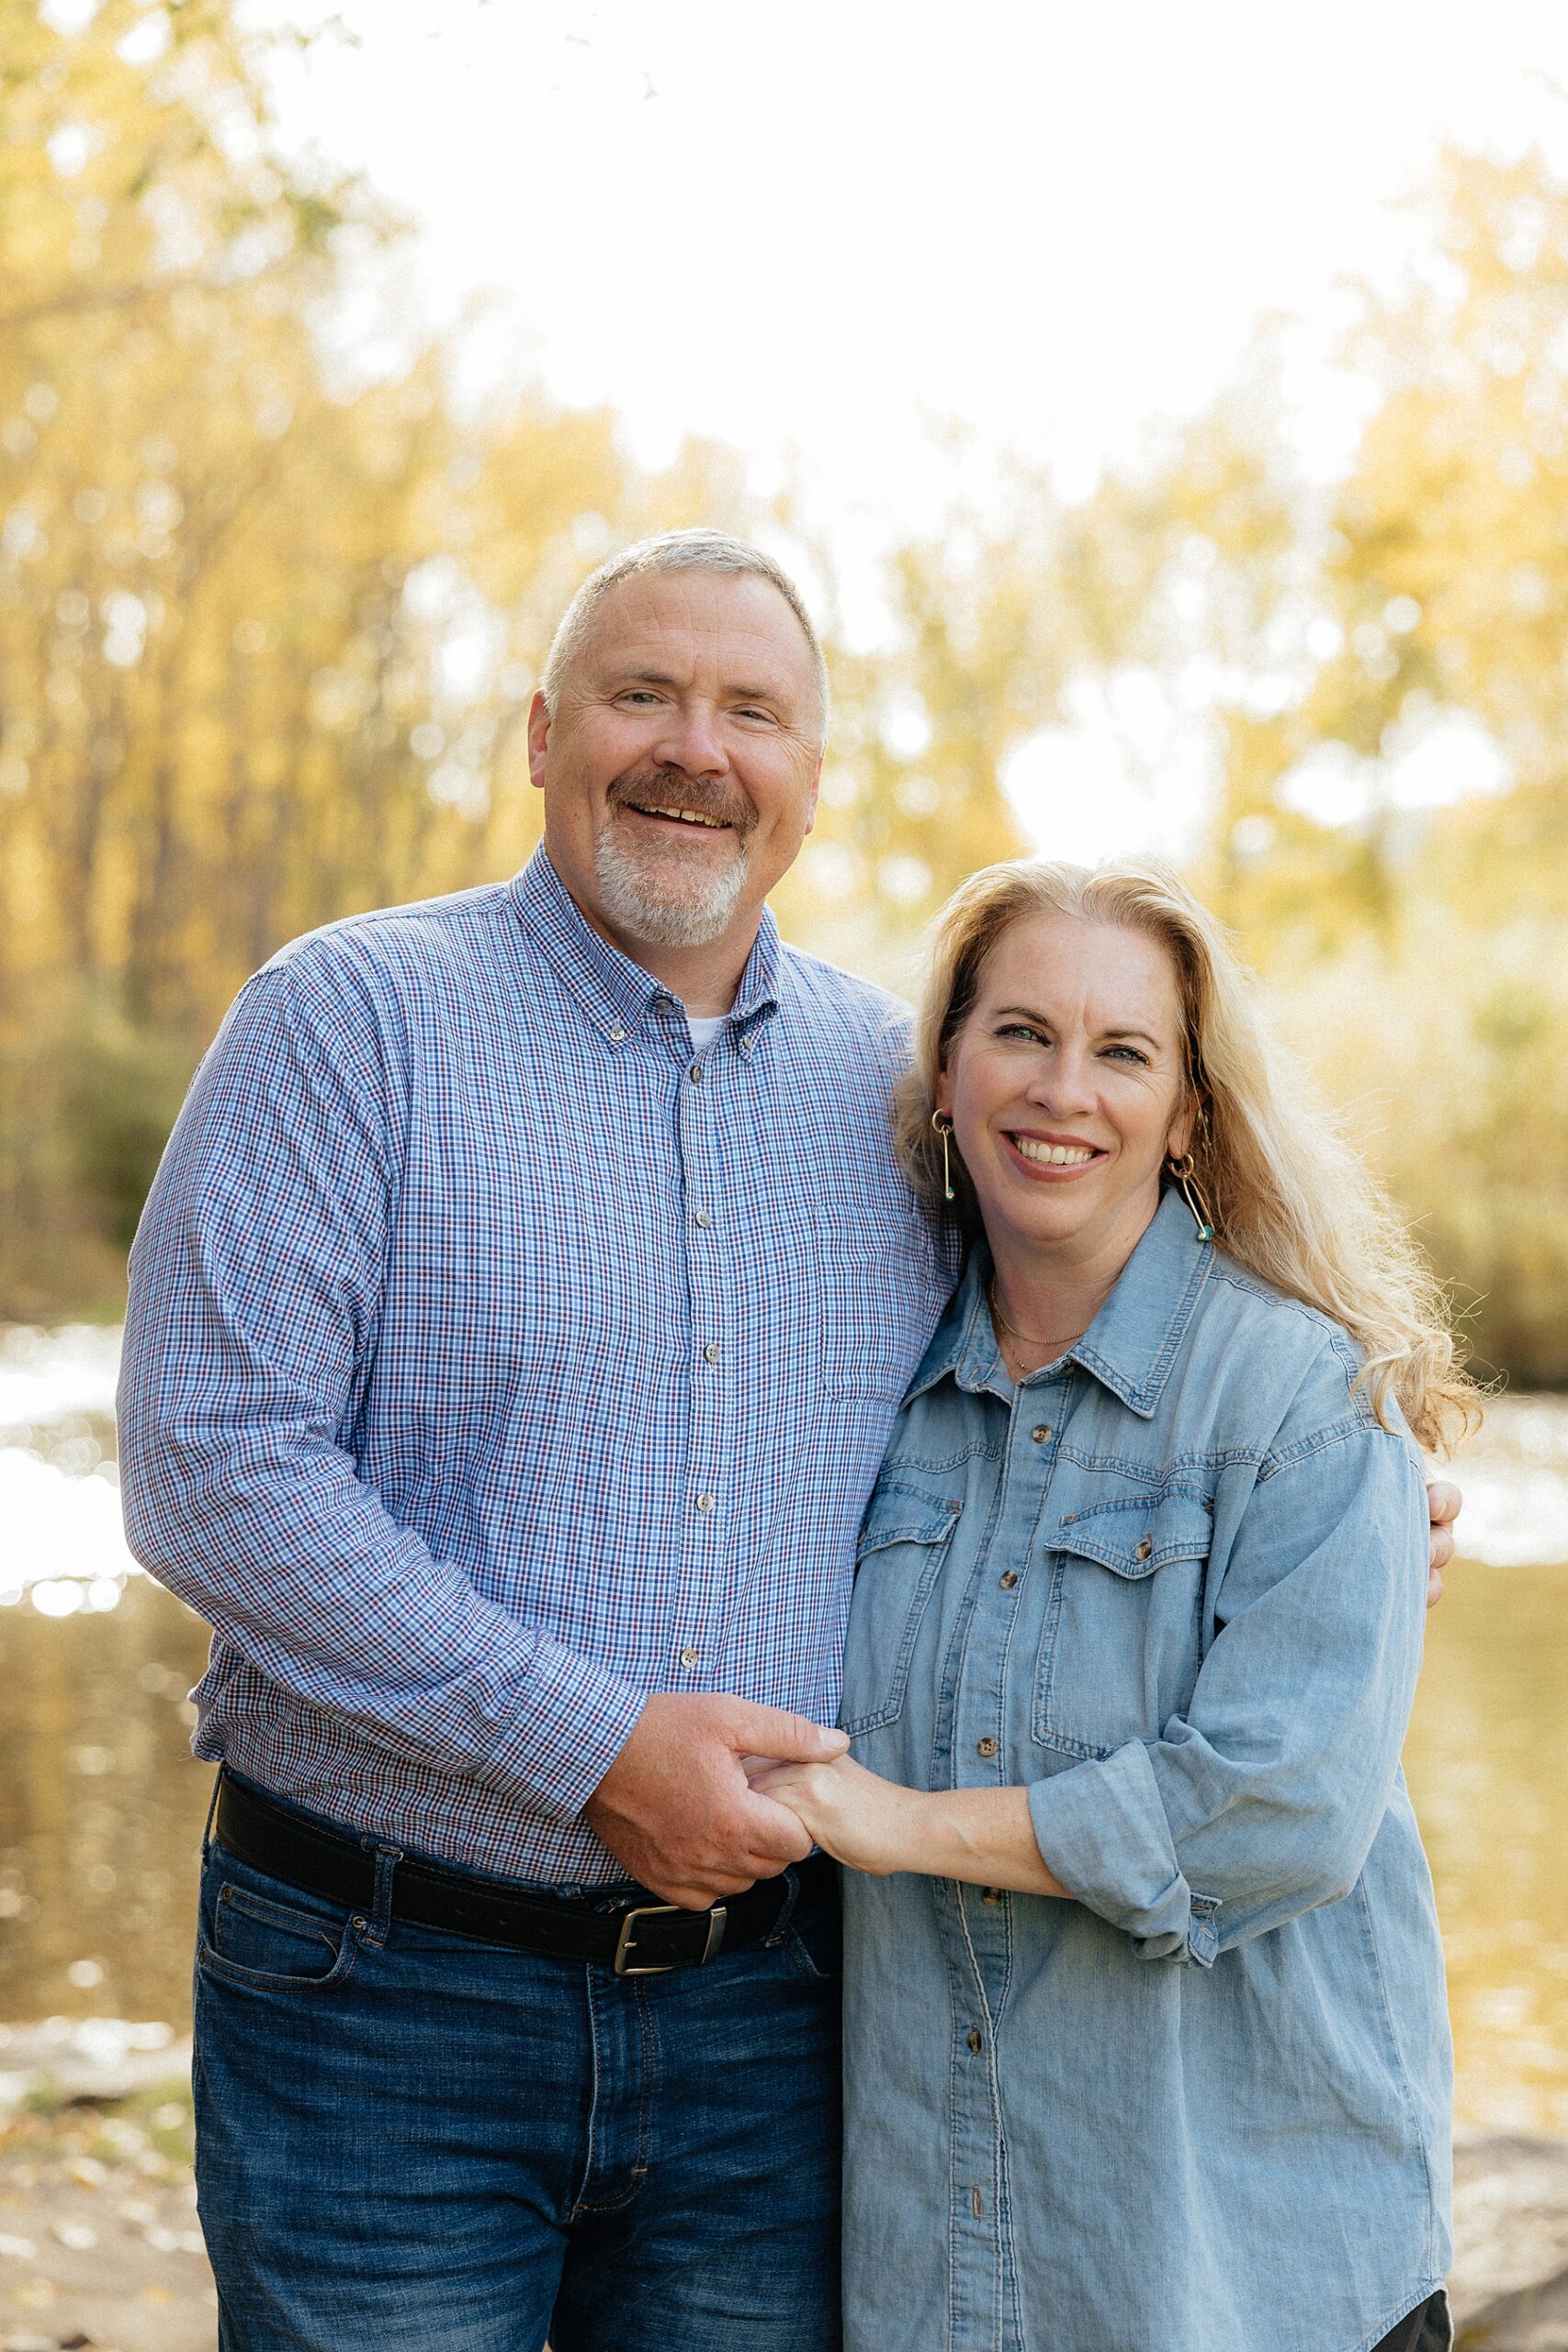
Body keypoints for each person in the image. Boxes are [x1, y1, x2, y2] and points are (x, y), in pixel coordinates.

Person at [118, 530, 1461, 2352]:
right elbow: (214, 1466)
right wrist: (589, 1743)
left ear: (811, 784)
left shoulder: (888, 1091)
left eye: (752, 709)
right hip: (383, 1993)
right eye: (642, 694)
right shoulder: (348, 1023)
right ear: (538, 733)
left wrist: (1356, 1486)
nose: (697, 748)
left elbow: (1079, 1328)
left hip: (769, 2021)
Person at [757, 856, 1470, 2352]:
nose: (1061, 1090)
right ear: (945, 1072)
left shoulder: (1306, 1406)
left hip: (1248, 2269)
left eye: (1123, 1051)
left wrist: (895, 1823)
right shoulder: (869, 1390)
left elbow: (1279, 1805)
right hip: (944, 2264)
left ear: (1189, 1111)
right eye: (1018, 1032)